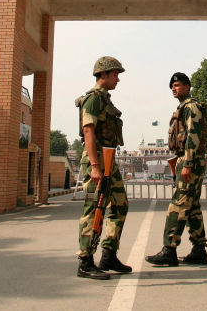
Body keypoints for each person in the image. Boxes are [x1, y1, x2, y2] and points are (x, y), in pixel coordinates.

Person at [75, 56, 131, 280]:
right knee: (94, 208)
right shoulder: (93, 99)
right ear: (103, 75)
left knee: (120, 205)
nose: (118, 79)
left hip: (109, 159)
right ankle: (85, 260)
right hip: (96, 160)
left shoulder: (105, 99)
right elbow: (88, 131)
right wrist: (95, 167)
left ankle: (108, 254)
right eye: (115, 74)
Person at [146, 72, 207, 267]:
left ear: (188, 86)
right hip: (186, 159)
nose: (174, 88)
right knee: (192, 206)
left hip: (190, 160)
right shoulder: (183, 108)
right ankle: (199, 250)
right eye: (172, 86)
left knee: (179, 203)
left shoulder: (191, 107)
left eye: (178, 85)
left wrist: (188, 163)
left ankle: (169, 250)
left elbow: (193, 135)